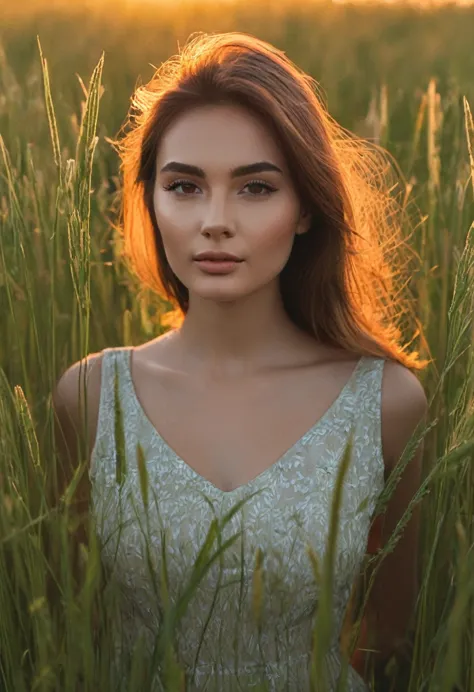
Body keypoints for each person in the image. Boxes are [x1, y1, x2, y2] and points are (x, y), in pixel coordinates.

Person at [52, 31, 430, 691]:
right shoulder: (89, 398)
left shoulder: (387, 403)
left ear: (305, 207)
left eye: (255, 189)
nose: (215, 221)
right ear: (151, 200)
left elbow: (389, 633)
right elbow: (68, 631)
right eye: (185, 186)